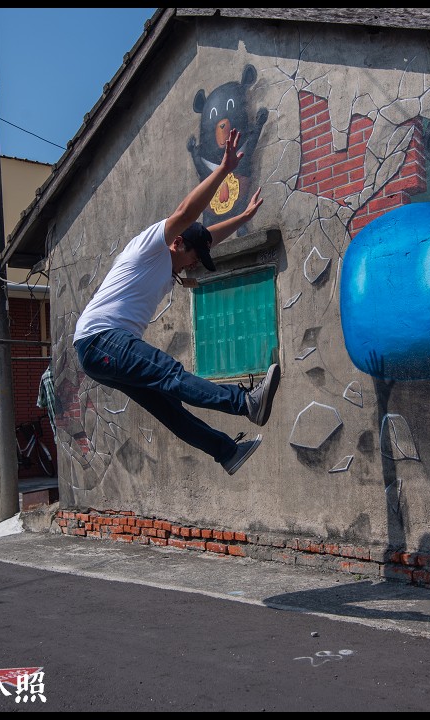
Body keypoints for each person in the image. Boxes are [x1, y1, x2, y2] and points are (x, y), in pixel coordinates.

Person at [73, 129, 280, 475]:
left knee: (170, 408)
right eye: (193, 257)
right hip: (101, 338)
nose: (193, 264)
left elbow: (207, 237)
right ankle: (245, 402)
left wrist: (243, 219)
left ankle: (226, 451)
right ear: (177, 243)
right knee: (171, 374)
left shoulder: (172, 262)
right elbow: (186, 212)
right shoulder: (149, 246)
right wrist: (223, 170)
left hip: (98, 349)